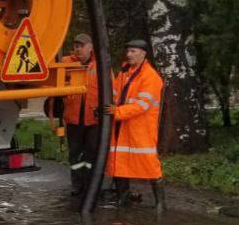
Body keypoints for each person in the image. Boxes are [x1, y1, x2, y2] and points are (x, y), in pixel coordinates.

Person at [101, 39, 164, 207]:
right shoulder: (124, 73)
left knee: (150, 164)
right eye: (128, 51)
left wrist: (117, 112)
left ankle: (160, 203)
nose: (128, 54)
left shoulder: (151, 77)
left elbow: (142, 105)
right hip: (122, 126)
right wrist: (108, 108)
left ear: (143, 54)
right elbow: (114, 94)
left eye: (133, 51)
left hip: (140, 128)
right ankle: (123, 198)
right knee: (119, 163)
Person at [45, 33, 100, 198]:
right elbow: (55, 85)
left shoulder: (100, 67)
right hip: (73, 118)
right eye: (76, 46)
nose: (78, 49)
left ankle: (91, 184)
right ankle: (77, 184)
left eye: (81, 46)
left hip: (94, 119)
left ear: (90, 47)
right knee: (75, 154)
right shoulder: (67, 64)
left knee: (91, 153)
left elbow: (111, 92)